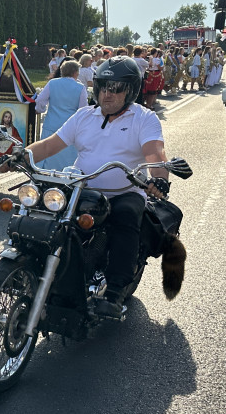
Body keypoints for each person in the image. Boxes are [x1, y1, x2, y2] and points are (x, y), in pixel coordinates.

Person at [23, 56, 171, 320]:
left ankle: (114, 291)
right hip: (82, 188)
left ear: (131, 91)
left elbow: (155, 152)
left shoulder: (144, 118)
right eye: (103, 86)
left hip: (125, 191)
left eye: (116, 88)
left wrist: (158, 177)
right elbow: (48, 145)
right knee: (46, 214)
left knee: (126, 216)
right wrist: (20, 156)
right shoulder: (84, 116)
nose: (107, 94)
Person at [35, 59, 88, 169]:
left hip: (51, 124)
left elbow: (40, 100)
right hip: (70, 127)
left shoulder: (52, 83)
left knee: (47, 153)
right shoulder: (80, 87)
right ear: (75, 72)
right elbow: (83, 110)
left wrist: (41, 109)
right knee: (67, 158)